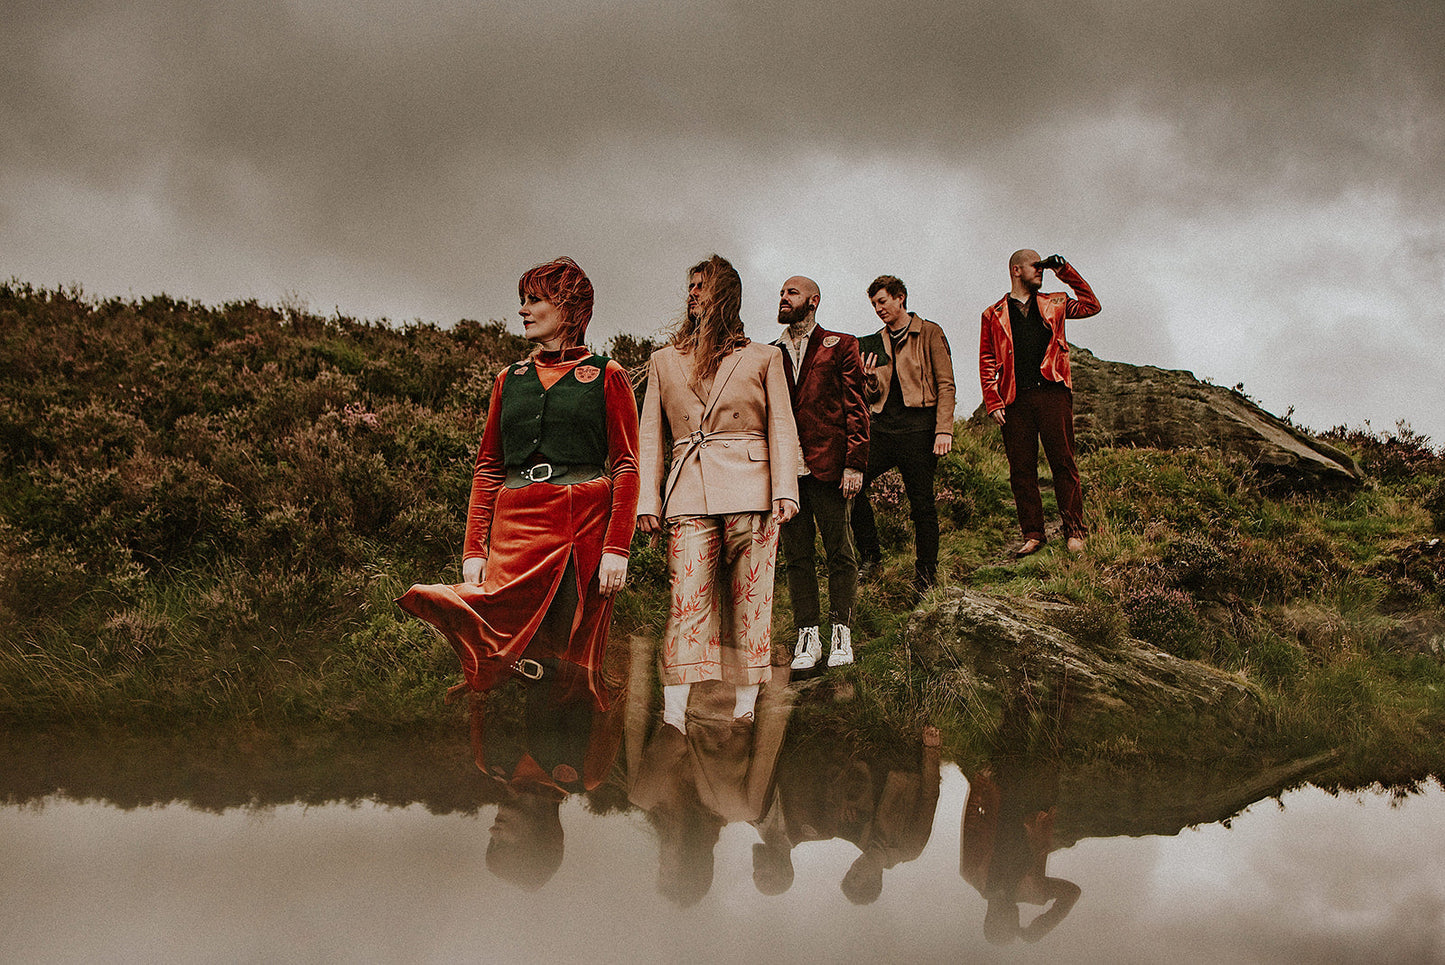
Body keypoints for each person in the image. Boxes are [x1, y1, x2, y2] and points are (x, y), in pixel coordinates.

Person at [396, 255, 640, 722]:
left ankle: (558, 773)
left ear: (567, 307)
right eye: (522, 300)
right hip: (514, 531)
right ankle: (524, 769)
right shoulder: (510, 379)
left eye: (535, 300)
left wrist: (617, 548)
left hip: (579, 527)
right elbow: (488, 468)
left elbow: (626, 467)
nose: (523, 310)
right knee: (508, 640)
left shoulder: (608, 375)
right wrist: (474, 550)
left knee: (564, 648)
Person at [637, 255, 799, 733]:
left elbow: (782, 427)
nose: (692, 293)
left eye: (702, 286)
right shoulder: (663, 361)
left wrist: (785, 489)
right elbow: (651, 436)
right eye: (689, 285)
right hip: (688, 492)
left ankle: (745, 710)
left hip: (753, 491)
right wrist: (648, 500)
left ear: (726, 294)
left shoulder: (765, 357)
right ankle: (673, 719)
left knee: (753, 599)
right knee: (686, 603)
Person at [771, 275, 870, 672]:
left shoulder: (841, 344)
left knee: (840, 552)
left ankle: (841, 633)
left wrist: (855, 462)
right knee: (797, 557)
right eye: (781, 293)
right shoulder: (770, 352)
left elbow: (856, 405)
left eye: (791, 293)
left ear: (813, 301)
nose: (783, 298)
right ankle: (807, 636)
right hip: (787, 472)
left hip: (830, 466)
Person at [978, 251, 1101, 556]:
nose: (1041, 271)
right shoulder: (992, 314)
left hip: (1052, 393)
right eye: (1037, 266)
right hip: (1015, 399)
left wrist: (1065, 271)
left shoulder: (1055, 303)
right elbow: (986, 359)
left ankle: (1075, 531)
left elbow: (1091, 306)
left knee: (1063, 462)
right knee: (1021, 469)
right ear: (1016, 270)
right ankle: (1033, 533)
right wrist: (993, 401)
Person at [852, 275, 957, 591]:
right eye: (873, 304)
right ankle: (870, 557)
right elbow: (872, 397)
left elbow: (946, 384)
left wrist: (944, 430)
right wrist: (869, 379)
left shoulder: (929, 332)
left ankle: (925, 576)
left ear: (900, 298)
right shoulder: (874, 342)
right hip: (883, 429)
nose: (878, 309)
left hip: (920, 431)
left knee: (922, 505)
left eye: (882, 301)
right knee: (852, 485)